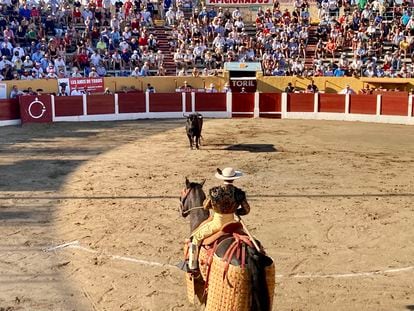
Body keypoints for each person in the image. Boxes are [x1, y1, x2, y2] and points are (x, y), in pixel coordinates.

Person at [188, 167, 250, 270]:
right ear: (234, 179)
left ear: (222, 178)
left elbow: (205, 206)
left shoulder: (215, 192)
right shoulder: (239, 193)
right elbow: (246, 210)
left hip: (217, 224)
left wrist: (216, 206)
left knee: (197, 237)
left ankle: (192, 265)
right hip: (232, 223)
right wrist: (235, 210)